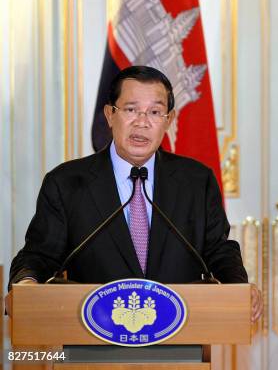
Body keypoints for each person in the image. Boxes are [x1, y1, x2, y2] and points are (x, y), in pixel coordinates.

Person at [9, 65, 262, 322]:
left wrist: (239, 288)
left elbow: (219, 250)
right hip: (93, 338)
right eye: (130, 110)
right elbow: (39, 255)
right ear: (109, 115)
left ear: (169, 120)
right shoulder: (66, 183)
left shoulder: (197, 181)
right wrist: (27, 285)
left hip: (179, 336)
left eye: (155, 112)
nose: (142, 122)